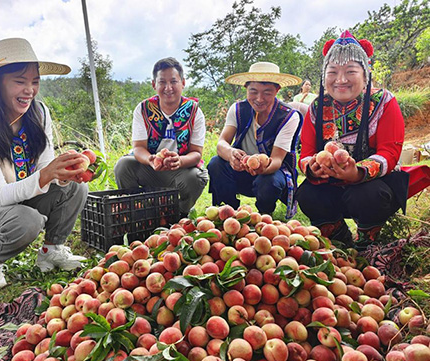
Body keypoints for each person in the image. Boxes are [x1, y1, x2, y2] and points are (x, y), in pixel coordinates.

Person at [0, 38, 88, 292]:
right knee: (27, 219)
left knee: (76, 189)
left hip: (18, 204)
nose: (30, 91)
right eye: (20, 82)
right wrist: (46, 174)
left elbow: (45, 165)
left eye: (35, 82)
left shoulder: (39, 113)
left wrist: (62, 174)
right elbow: (0, 195)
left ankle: (51, 251)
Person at [296, 30, 409, 250]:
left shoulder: (384, 102)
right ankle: (338, 237)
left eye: (350, 71)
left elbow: (390, 152)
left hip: (373, 187)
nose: (340, 80)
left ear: (365, 75)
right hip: (330, 185)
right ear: (324, 75)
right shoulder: (317, 108)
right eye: (333, 72)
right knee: (307, 193)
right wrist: (313, 166)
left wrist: (357, 173)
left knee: (368, 195)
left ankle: (367, 240)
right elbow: (306, 153)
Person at [113, 57, 208, 217]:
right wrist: (150, 159)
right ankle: (140, 213)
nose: (168, 87)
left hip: (179, 171)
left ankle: (180, 214)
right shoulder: (144, 109)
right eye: (162, 82)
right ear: (154, 84)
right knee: (123, 166)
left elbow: (196, 153)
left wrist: (179, 161)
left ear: (183, 83)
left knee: (196, 177)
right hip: (149, 169)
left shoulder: (194, 111)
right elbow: (138, 148)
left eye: (173, 81)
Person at [208, 62, 303, 219]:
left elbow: (277, 160)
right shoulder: (238, 109)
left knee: (269, 181)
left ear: (277, 90)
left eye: (267, 92)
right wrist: (231, 154)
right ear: (246, 88)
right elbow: (222, 143)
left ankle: (265, 214)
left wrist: (261, 168)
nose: (259, 99)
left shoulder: (288, 116)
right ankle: (227, 211)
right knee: (216, 163)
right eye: (253, 91)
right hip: (241, 171)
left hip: (272, 173)